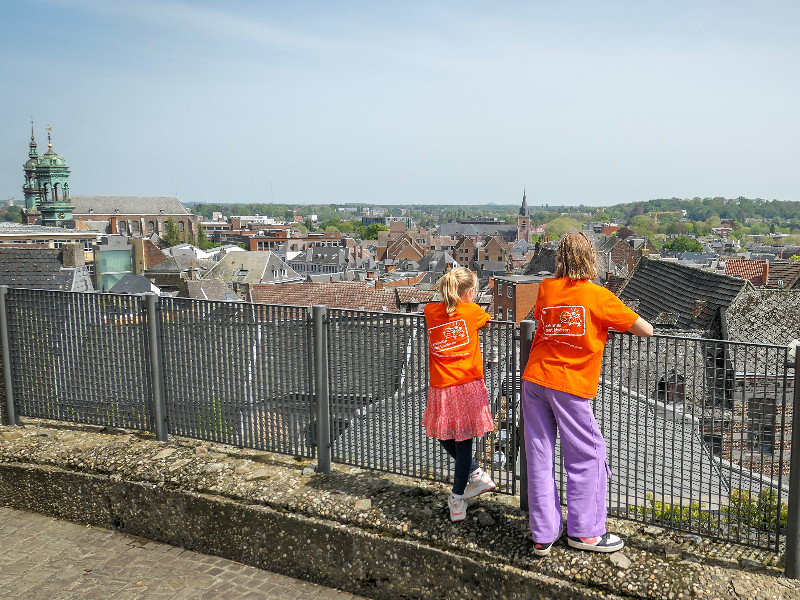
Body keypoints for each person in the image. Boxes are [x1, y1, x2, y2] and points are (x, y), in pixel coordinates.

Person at [522, 231, 653, 555]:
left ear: (560, 259)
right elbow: (646, 329)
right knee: (588, 455)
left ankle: (543, 534)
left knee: (539, 456)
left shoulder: (545, 288)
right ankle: (586, 532)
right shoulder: (599, 297)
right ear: (591, 259)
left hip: (535, 378)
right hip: (569, 384)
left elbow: (542, 319)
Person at [423, 267, 497, 522]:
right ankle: (459, 495)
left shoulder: (430, 312)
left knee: (444, 434)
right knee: (463, 443)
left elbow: (442, 314)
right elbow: (485, 324)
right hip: (467, 385)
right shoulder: (473, 311)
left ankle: (473, 478)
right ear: (469, 293)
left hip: (441, 387)